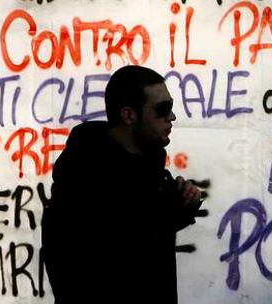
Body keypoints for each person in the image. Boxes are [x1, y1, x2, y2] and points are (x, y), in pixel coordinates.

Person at [41, 65, 204, 303]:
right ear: (129, 115)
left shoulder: (150, 162)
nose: (171, 117)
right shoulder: (83, 178)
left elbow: (149, 231)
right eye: (163, 109)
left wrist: (183, 203)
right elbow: (64, 265)